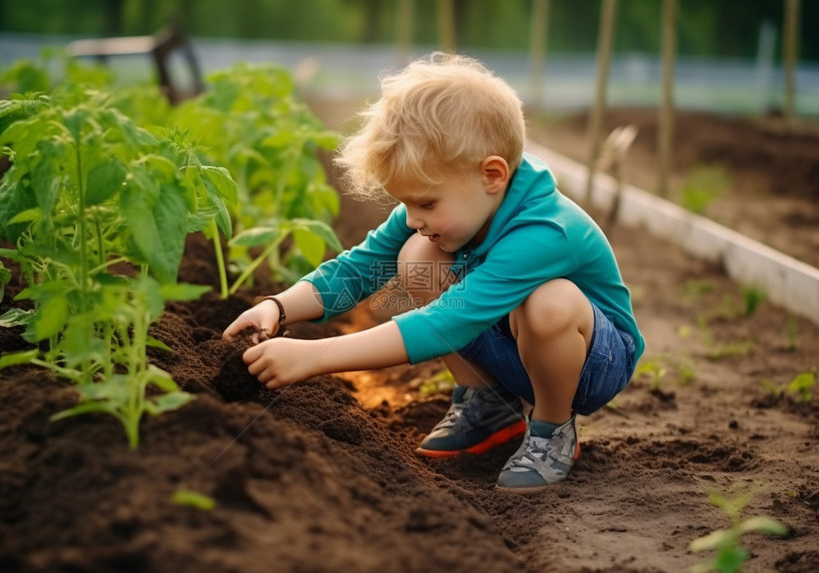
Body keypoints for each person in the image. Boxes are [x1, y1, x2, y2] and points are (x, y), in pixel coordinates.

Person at [223, 52, 644, 494]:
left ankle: (551, 429)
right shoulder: (454, 204)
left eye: (425, 203)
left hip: (592, 365)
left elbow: (446, 322)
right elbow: (362, 266)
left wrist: (315, 358)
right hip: (513, 342)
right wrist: (278, 308)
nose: (413, 215)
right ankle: (488, 404)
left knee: (550, 302)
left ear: (492, 175)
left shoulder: (546, 231)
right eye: (407, 203)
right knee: (417, 255)